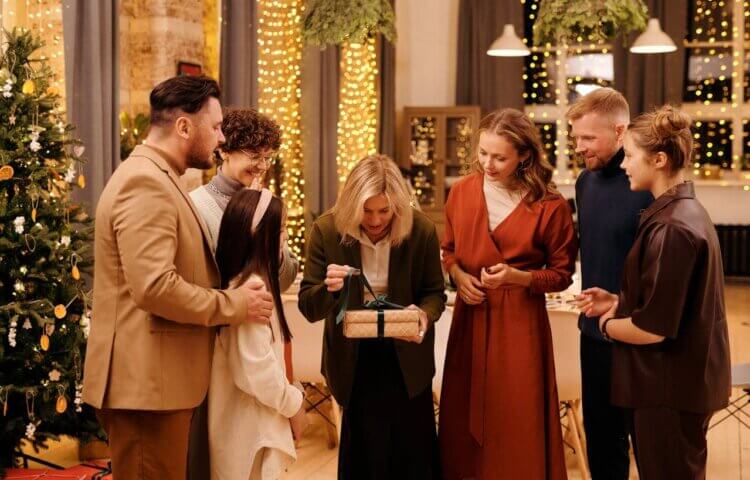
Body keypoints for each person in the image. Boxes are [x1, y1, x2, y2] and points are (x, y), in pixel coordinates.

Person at [82, 75, 274, 480]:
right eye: (217, 126)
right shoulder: (145, 183)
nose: (221, 138)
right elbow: (154, 287)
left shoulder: (162, 177)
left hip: (157, 385)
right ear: (184, 126)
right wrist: (234, 305)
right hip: (146, 387)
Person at [574, 105, 731, 479]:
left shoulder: (674, 227)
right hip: (672, 384)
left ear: (659, 160)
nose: (624, 165)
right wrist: (618, 301)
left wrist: (605, 326)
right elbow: (666, 299)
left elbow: (653, 327)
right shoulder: (679, 212)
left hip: (668, 388)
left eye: (629, 155)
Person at [438, 108, 578, 480]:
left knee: (517, 412)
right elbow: (448, 250)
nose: (488, 163)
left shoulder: (551, 206)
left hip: (520, 324)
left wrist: (519, 277)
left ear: (524, 156)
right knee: (465, 409)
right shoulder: (462, 192)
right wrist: (457, 276)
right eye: (483, 153)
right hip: (470, 316)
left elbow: (562, 274)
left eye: (499, 157)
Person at [298, 154, 446, 479]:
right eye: (367, 211)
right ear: (352, 204)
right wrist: (331, 289)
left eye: (384, 210)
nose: (376, 220)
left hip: (408, 358)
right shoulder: (326, 229)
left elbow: (435, 292)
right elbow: (309, 307)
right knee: (363, 457)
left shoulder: (419, 229)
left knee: (414, 455)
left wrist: (422, 315)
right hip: (354, 359)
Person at [187, 108, 299, 479]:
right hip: (217, 334)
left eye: (267, 156)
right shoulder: (199, 206)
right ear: (224, 151)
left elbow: (283, 275)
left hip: (255, 322)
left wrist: (277, 248)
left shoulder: (264, 200)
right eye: (254, 155)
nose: (261, 165)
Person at [567, 87, 653, 478]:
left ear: (620, 132)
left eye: (589, 138)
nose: (580, 146)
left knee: (646, 442)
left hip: (640, 333)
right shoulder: (584, 183)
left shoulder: (647, 184)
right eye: (575, 138)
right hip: (593, 332)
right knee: (602, 441)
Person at [209, 188, 308, 479]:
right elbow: (255, 370)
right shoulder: (250, 290)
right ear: (260, 235)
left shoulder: (254, 283)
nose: (285, 239)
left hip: (255, 426)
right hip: (250, 430)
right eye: (281, 230)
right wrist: (295, 404)